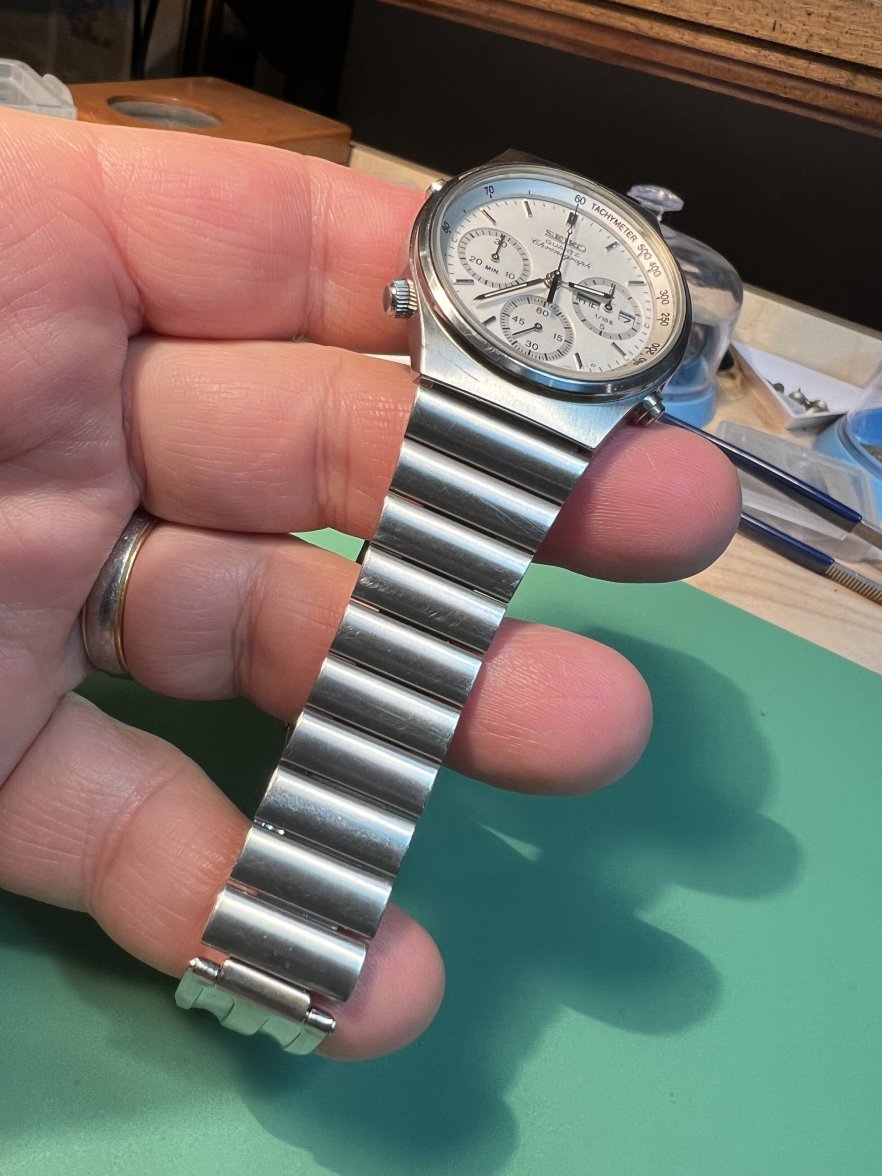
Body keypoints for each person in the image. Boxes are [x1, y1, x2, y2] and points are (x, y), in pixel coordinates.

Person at [0, 107, 740, 1059]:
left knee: (443, 661)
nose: (557, 282)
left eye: (589, 293)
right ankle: (265, 972)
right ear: (419, 286)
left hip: (553, 429)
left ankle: (274, 980)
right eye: (531, 263)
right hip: (477, 396)